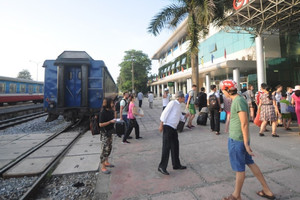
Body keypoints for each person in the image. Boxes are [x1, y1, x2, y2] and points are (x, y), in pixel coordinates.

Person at [220, 80, 275, 200]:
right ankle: (267, 190)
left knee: (239, 169)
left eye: (223, 90)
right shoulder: (238, 100)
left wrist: (245, 143)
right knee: (250, 163)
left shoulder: (238, 101)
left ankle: (236, 195)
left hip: (237, 140)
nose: (222, 92)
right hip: (240, 139)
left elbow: (244, 123)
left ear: (228, 90)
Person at [158, 91, 189, 175]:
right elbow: (165, 113)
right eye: (183, 98)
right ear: (180, 97)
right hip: (167, 126)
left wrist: (185, 116)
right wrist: (161, 124)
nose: (184, 99)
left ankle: (176, 164)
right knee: (166, 147)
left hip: (173, 128)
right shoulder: (172, 103)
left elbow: (178, 116)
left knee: (175, 146)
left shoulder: (179, 105)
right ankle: (162, 166)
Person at [99, 98, 116, 174]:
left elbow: (114, 118)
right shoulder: (103, 112)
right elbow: (100, 124)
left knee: (109, 148)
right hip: (105, 133)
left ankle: (106, 162)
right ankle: (103, 167)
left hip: (110, 132)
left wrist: (114, 110)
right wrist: (109, 122)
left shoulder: (110, 111)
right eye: (112, 103)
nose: (113, 104)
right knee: (104, 149)